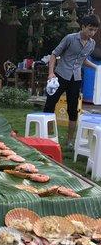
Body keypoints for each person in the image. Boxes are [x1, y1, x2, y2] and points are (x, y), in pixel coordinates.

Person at [43, 13, 100, 148]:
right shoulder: (70, 38)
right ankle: (48, 136)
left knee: (73, 110)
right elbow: (54, 54)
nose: (92, 33)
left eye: (95, 30)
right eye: (90, 29)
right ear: (83, 27)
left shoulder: (92, 44)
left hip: (76, 79)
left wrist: (97, 67)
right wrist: (51, 73)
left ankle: (69, 141)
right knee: (49, 105)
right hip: (60, 76)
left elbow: (83, 60)